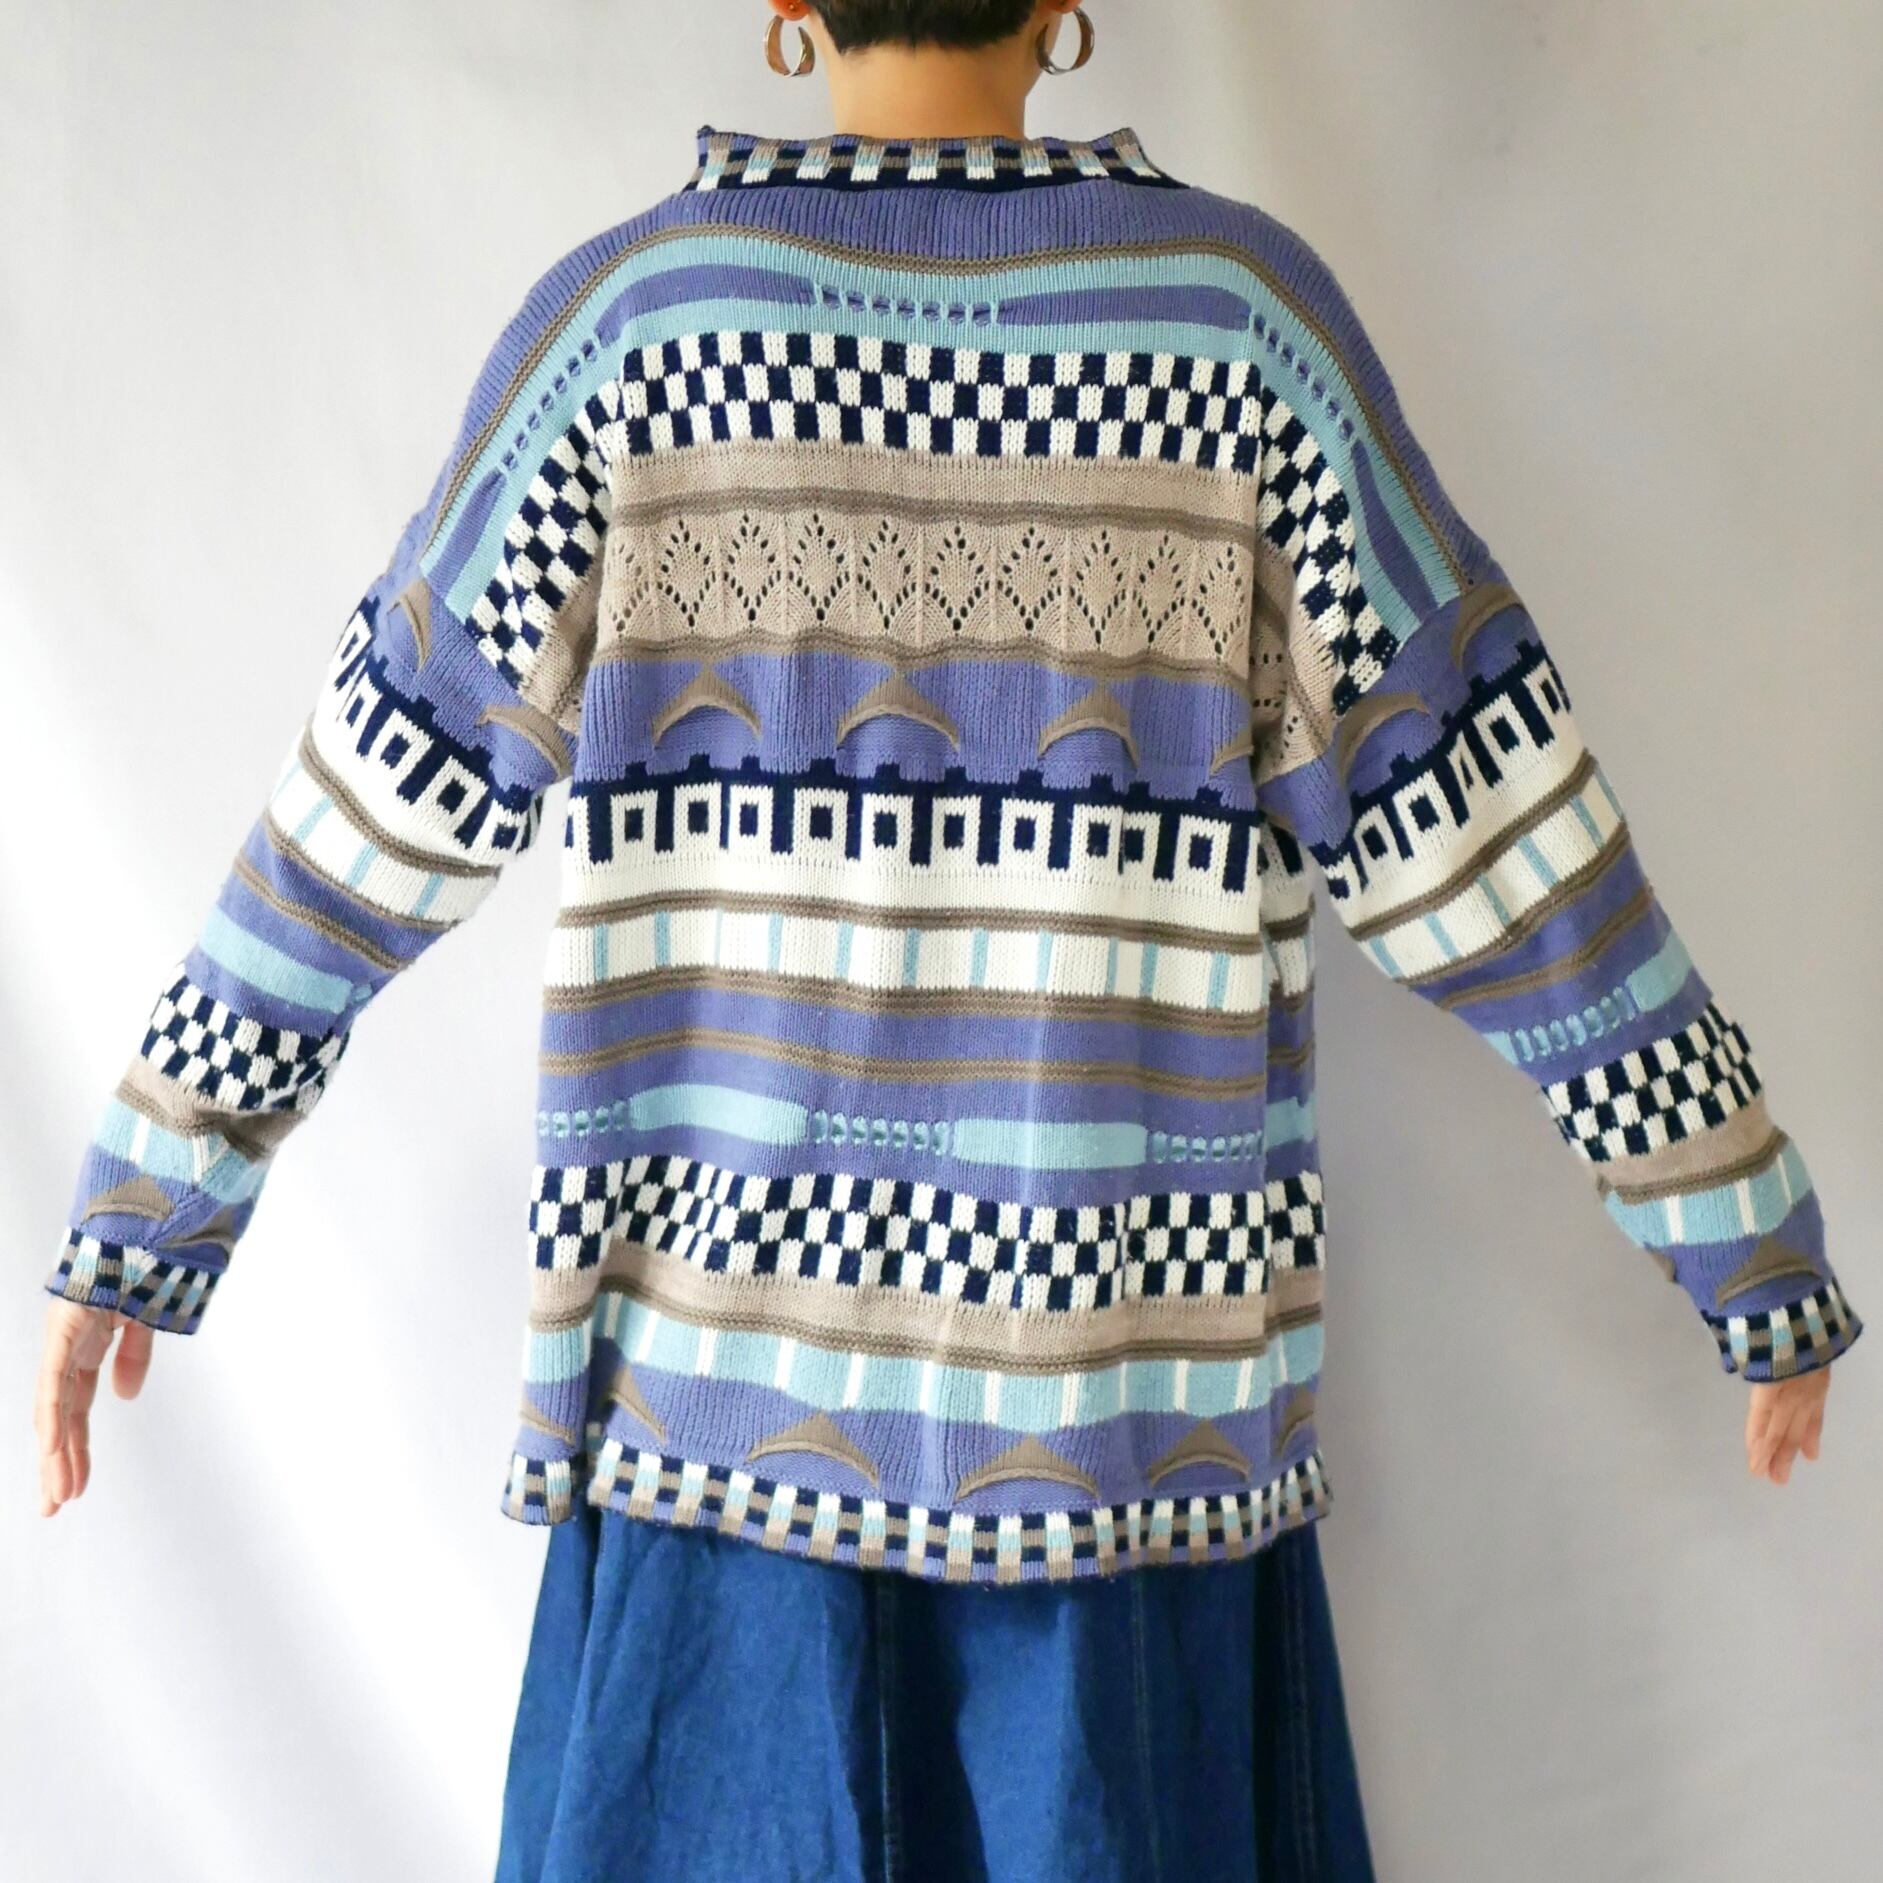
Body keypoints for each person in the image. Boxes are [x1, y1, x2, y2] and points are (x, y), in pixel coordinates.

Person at [33, 3, 1858, 1879]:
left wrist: (149, 1200)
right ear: (1063, 7)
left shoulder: (636, 334)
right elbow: (1495, 833)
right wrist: (1739, 1225)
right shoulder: (1238, 335)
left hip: (715, 1464)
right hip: (1117, 1468)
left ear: (787, 8)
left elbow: (370, 805)